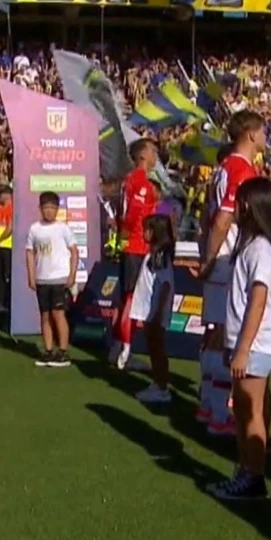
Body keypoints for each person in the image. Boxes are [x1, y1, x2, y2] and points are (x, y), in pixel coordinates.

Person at [208, 177, 271, 501]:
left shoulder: (260, 249)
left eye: (241, 202)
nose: (235, 207)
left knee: (247, 408)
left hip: (253, 343)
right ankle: (249, 469)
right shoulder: (251, 245)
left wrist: (242, 349)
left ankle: (252, 477)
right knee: (252, 406)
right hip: (250, 341)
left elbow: (258, 299)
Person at [197, 110, 266, 436]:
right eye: (262, 131)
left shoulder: (221, 169)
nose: (265, 137)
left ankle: (208, 404)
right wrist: (211, 258)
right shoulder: (239, 167)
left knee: (215, 335)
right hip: (228, 262)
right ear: (251, 134)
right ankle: (218, 414)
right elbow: (224, 219)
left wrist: (205, 254)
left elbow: (205, 217)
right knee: (227, 336)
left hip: (219, 261)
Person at [112, 138, 160, 369]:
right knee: (131, 299)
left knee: (125, 298)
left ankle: (117, 346)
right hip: (137, 247)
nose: (155, 155)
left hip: (131, 246)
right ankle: (126, 351)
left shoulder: (129, 181)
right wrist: (125, 238)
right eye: (152, 151)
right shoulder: (140, 182)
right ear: (142, 155)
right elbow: (132, 215)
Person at [24, 191, 79, 368]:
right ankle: (48, 351)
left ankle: (62, 351)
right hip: (42, 279)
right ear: (40, 209)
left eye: (52, 208)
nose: (49, 211)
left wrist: (71, 275)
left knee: (58, 314)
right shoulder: (34, 229)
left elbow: (74, 252)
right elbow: (30, 253)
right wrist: (31, 275)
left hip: (59, 278)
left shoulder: (63, 228)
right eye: (45, 208)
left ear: (57, 209)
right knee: (45, 315)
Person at [128, 214, 177, 403]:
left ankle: (162, 387)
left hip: (155, 310)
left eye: (147, 229)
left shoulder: (160, 256)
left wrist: (157, 313)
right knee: (153, 347)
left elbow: (165, 285)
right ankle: (157, 384)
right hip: (150, 308)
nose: (144, 232)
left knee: (157, 348)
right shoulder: (154, 254)